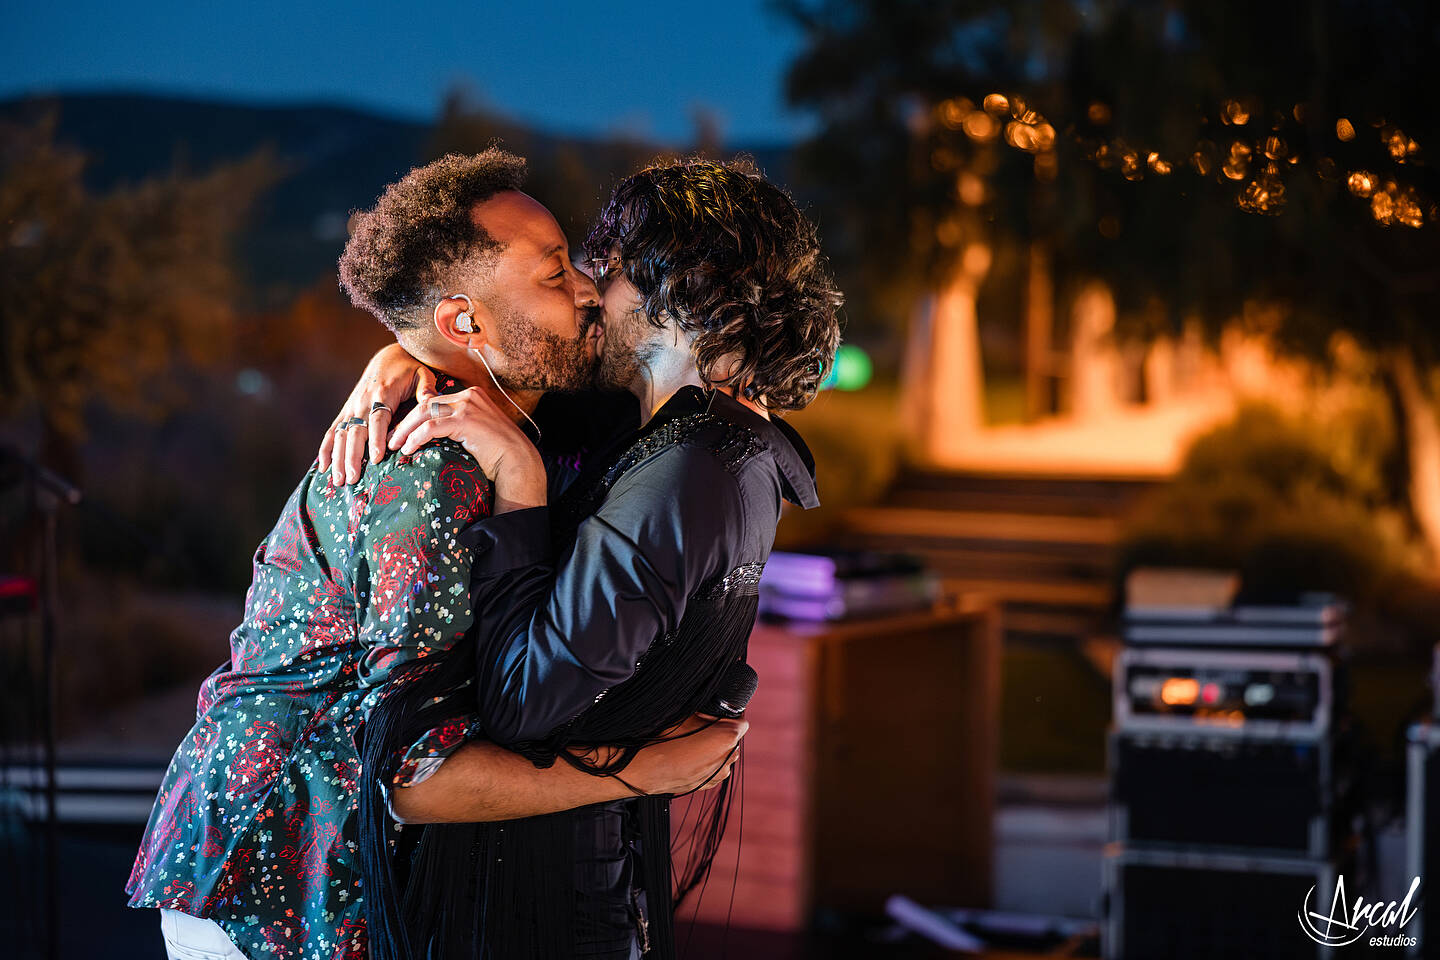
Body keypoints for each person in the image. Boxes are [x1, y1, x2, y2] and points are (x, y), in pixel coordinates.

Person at [125, 150, 748, 960]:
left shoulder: (523, 420)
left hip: (335, 880)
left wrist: (396, 356)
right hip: (268, 884)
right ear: (466, 324)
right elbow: (417, 778)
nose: (591, 290)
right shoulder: (427, 474)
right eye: (556, 275)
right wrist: (642, 771)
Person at [325, 156, 842, 959]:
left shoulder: (696, 467)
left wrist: (521, 489)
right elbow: (493, 369)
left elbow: (527, 700)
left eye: (617, 270)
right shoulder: (671, 437)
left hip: (547, 912)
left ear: (686, 290)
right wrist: (399, 357)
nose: (596, 292)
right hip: (541, 892)